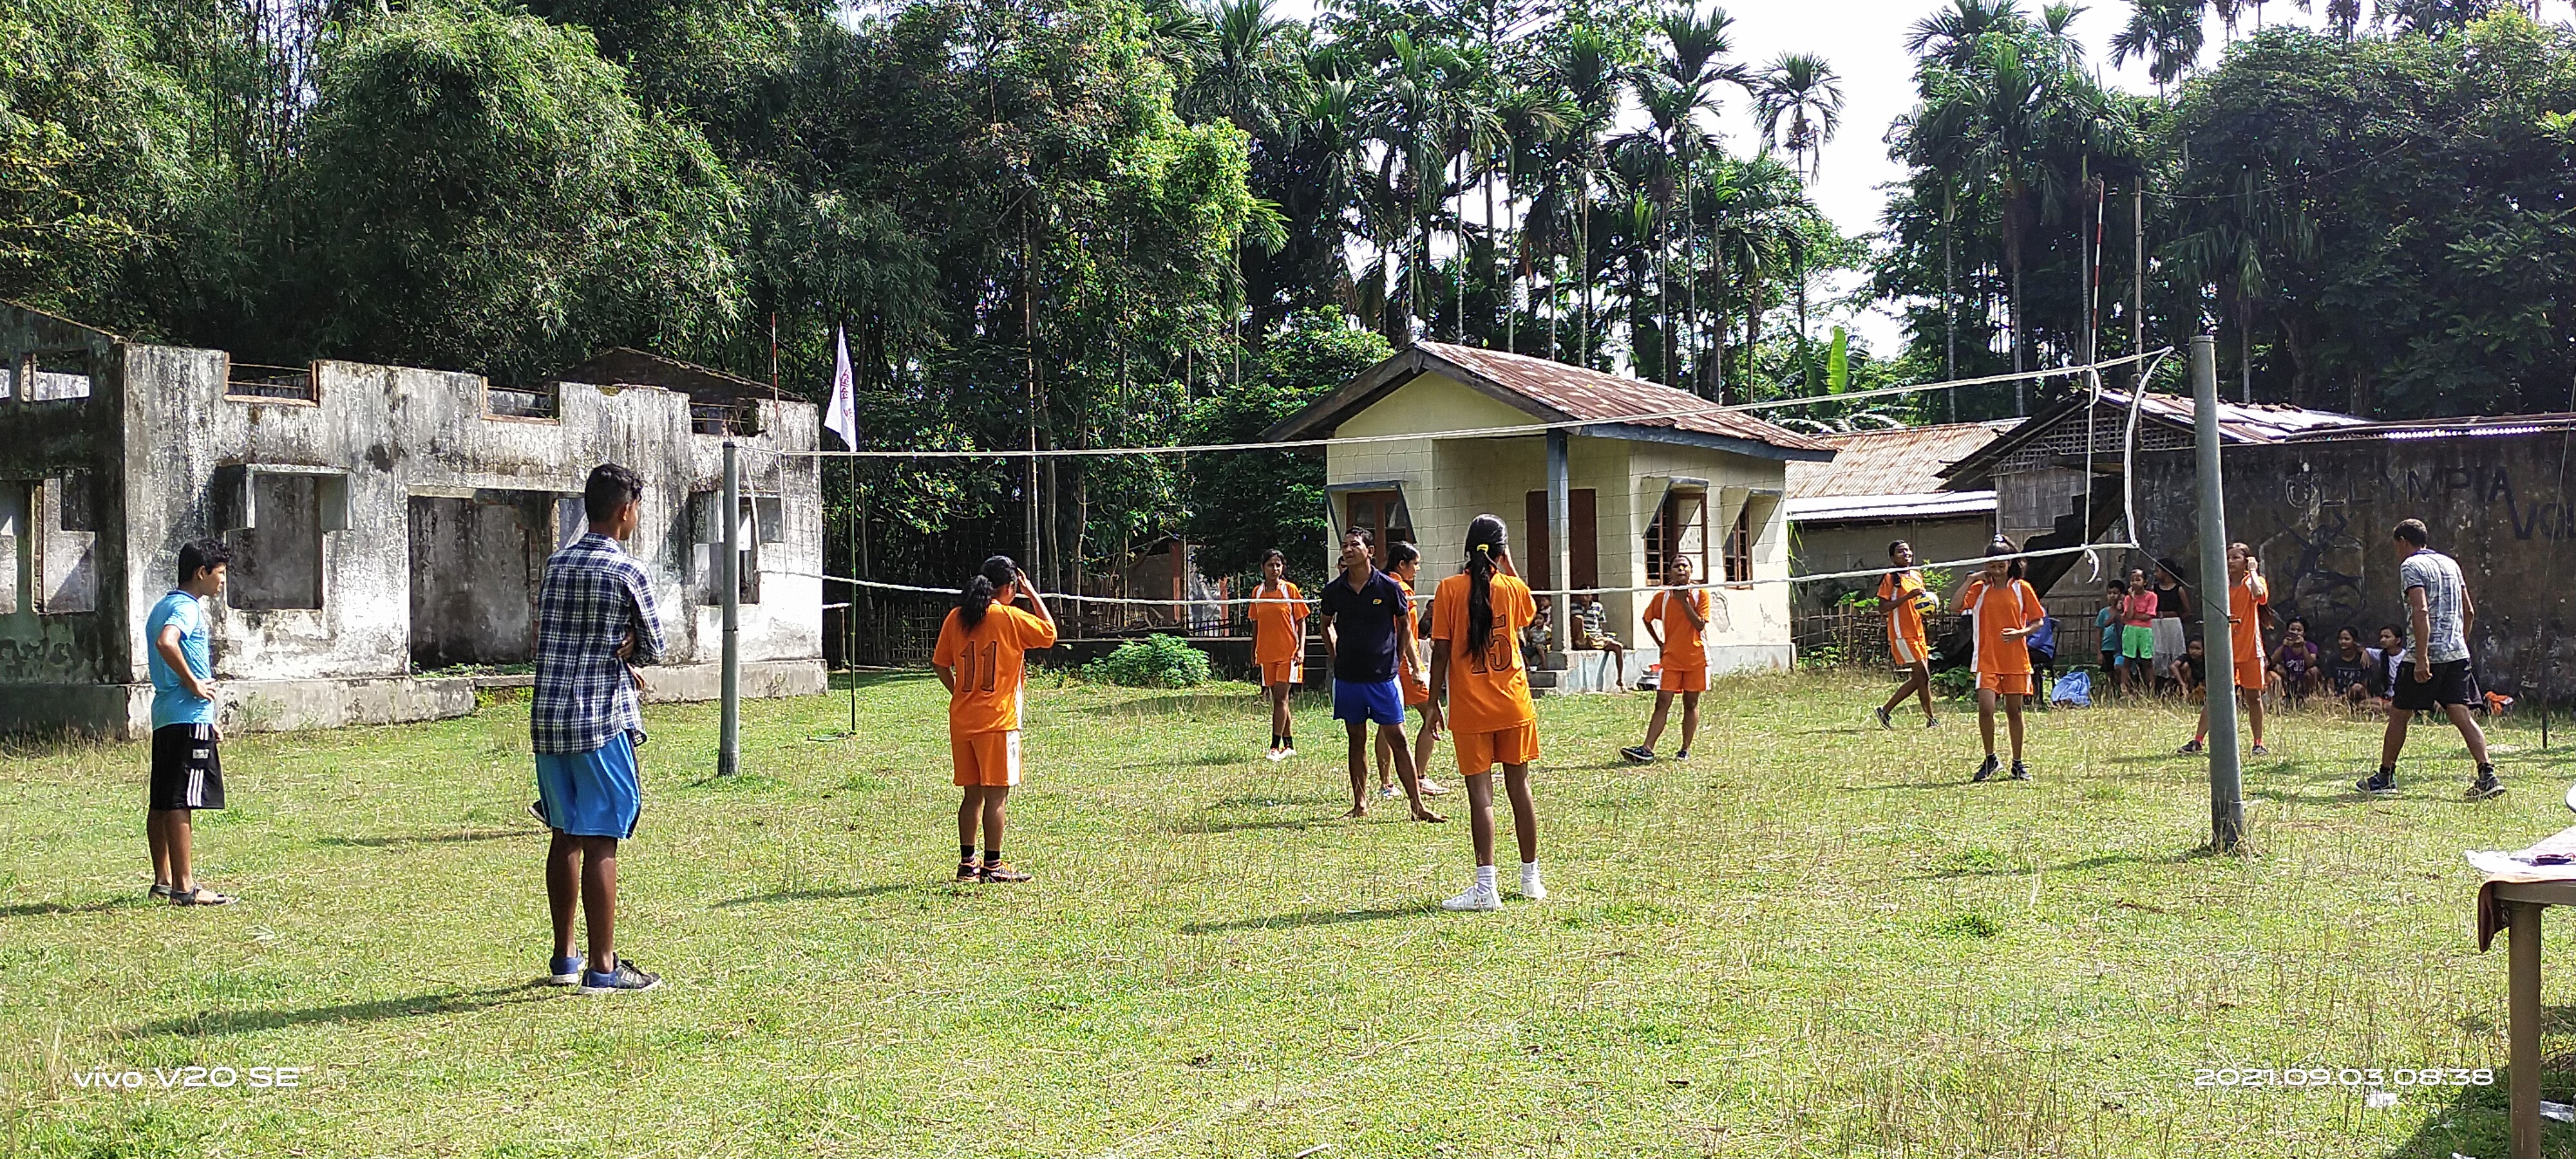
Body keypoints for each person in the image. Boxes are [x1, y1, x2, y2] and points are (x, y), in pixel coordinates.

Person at [533, 464, 665, 994]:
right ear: (625, 510)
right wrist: (630, 647)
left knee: (563, 830)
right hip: (600, 719)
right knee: (602, 838)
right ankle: (604, 967)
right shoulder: (627, 573)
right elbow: (657, 645)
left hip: (549, 716)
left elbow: (551, 634)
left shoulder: (555, 565)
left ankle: (566, 957)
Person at [1428, 514, 1544, 911]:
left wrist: (1432, 704)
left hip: (1471, 708)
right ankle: (1531, 879)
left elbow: (1441, 652)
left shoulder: (1448, 589)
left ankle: (1486, 887)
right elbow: (1529, 614)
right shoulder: (1512, 588)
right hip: (1514, 703)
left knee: (1482, 796)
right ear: (1501, 551)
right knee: (1520, 789)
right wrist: (1507, 562)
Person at [932, 554, 1059, 882]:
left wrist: (960, 691)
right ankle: (993, 865)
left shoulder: (956, 617)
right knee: (997, 796)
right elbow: (1049, 633)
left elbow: (940, 664)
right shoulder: (1010, 617)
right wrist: (1032, 593)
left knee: (971, 796)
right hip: (998, 722)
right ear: (1010, 587)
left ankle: (967, 864)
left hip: (963, 719)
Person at [2356, 519, 2503, 799]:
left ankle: (2385, 777)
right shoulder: (2451, 564)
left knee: (2399, 714)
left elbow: (2420, 610)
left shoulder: (2411, 566)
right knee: (2460, 714)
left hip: (2424, 654)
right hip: (2456, 653)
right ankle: (2488, 774)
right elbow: (2468, 611)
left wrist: (2422, 657)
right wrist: (2460, 644)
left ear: (2403, 542)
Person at [1318, 529, 1441, 822]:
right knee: (1356, 739)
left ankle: (1417, 806)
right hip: (1349, 679)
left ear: (1370, 551)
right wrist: (1337, 657)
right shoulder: (1334, 590)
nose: (1348, 550)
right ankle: (1360, 804)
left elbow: (1405, 627)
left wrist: (1398, 661)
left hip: (1383, 679)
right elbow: (1325, 626)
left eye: (1355, 545)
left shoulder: (1389, 588)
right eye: (1345, 546)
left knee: (1398, 739)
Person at [147, 538, 236, 908]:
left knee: (164, 799)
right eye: (220, 574)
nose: (222, 582)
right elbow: (169, 643)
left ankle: (163, 882)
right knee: (183, 799)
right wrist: (193, 684)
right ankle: (186, 887)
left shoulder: (163, 605)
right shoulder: (187, 608)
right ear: (201, 573)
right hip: (186, 715)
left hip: (167, 715)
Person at [1958, 537, 2043, 781]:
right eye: (1992, 566)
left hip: (2015, 658)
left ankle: (2017, 762)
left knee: (2014, 712)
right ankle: (1990, 758)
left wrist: (2021, 632)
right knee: (1986, 709)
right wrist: (1971, 580)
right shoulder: (1980, 589)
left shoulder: (2022, 588)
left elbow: (2038, 620)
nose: (1996, 571)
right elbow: (1956, 606)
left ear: (2009, 564)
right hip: (1987, 657)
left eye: (2001, 566)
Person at [1375, 542, 1450, 800]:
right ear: (1402, 564)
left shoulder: (1380, 583)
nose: (1417, 569)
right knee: (1434, 715)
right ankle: (1419, 777)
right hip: (1404, 664)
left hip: (1384, 662)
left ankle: (1387, 784)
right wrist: (1417, 666)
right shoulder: (1401, 590)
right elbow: (1404, 632)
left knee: (1387, 723)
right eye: (1415, 564)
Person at [2180, 543, 2269, 757]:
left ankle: (2258, 743)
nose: (2230, 562)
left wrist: (2254, 571)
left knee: (2253, 697)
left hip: (2249, 648)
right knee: (2216, 696)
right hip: (2226, 649)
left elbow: (2259, 595)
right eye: (2228, 558)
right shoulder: (2222, 585)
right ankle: (2198, 741)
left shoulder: (2252, 582)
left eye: (2236, 558)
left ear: (2246, 561)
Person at [1621, 557, 1710, 763]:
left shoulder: (1701, 594)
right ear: (1670, 572)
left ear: (1691, 571)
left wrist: (1683, 601)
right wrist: (1661, 643)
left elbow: (1699, 625)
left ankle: (1685, 749)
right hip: (1671, 657)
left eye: (1684, 566)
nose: (1680, 569)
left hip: (1696, 657)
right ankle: (1647, 749)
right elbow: (1647, 619)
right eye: (1676, 566)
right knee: (1662, 702)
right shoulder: (1662, 596)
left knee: (1691, 702)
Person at [1247, 549, 1307, 761]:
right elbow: (1255, 624)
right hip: (1267, 652)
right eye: (1270, 565)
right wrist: (1254, 650)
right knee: (1278, 700)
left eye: (1278, 565)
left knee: (1281, 699)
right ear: (1263, 568)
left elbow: (1301, 621)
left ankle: (1274, 746)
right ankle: (1289, 744)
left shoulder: (1289, 590)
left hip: (1288, 653)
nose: (1275, 569)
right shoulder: (1258, 592)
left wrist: (1301, 649)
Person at [1874, 540, 1938, 729]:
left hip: (1918, 631)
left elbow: (1920, 603)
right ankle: (1886, 710)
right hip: (1902, 632)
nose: (1906, 553)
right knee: (1923, 676)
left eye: (1908, 550)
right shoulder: (1891, 578)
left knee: (1922, 677)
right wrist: (1907, 597)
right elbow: (1882, 608)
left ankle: (1930, 718)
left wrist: (1929, 608)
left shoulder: (1917, 575)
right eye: (1900, 551)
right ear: (1893, 557)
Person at [2150, 562, 2194, 695]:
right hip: (2158, 625)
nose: (2155, 574)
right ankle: (2159, 688)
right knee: (2158, 654)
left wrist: (2174, 616)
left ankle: (2179, 686)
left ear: (2166, 572)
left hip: (2173, 626)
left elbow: (2188, 611)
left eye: (2158, 571)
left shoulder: (2179, 590)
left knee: (2175, 654)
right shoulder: (2155, 589)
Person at [2118, 567, 2158, 697]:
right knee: (2127, 660)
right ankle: (2124, 690)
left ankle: (2151, 691)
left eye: (2138, 580)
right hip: (2130, 630)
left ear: (2145, 582)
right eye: (2132, 581)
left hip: (2145, 630)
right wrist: (2132, 599)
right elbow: (2128, 616)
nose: (2135, 583)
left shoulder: (2151, 596)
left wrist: (2134, 616)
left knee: (2147, 661)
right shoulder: (2129, 599)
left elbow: (2149, 616)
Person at [1577, 594, 1627, 690]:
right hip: (1582, 637)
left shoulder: (1598, 607)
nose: (1584, 598)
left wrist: (1606, 636)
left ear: (1591, 596)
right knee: (1578, 619)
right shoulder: (1575, 607)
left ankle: (1620, 679)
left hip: (1597, 636)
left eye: (1587, 595)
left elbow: (1602, 623)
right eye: (1582, 595)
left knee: (1618, 647)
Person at [2270, 617, 2321, 704]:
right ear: (2287, 632)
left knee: (2314, 671)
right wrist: (2283, 646)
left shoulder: (2311, 646)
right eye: (2292, 629)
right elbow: (2271, 663)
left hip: (2304, 680)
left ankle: (2308, 699)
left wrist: (2303, 646)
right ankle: (2281, 699)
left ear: (2304, 633)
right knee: (2276, 668)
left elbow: (2311, 664)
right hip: (2289, 679)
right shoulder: (2283, 646)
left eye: (2299, 630)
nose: (2296, 632)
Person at [2326, 625, 2378, 711]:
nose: (2343, 642)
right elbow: (2330, 685)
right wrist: (2333, 697)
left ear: (2354, 641)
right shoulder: (2333, 660)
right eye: (2341, 639)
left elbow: (2364, 687)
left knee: (2357, 688)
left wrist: (2345, 697)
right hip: (2337, 698)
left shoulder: (2362, 660)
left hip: (2357, 698)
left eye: (2347, 639)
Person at [2094, 581, 2125, 693]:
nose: (2112, 596)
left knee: (2120, 670)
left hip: (2121, 646)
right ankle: (2112, 694)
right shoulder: (2104, 612)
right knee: (2110, 673)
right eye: (2110, 593)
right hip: (2107, 647)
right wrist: (2099, 652)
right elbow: (2100, 630)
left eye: (2115, 593)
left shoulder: (2126, 611)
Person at [2026, 608, 2058, 711]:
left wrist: (2022, 647)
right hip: (2027, 649)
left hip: (2042, 650)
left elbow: (2038, 639)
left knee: (2023, 659)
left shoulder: (2038, 612)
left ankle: (2034, 695)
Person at [2177, 636, 2208, 702]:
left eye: (2198, 649)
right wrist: (2182, 683)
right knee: (2185, 666)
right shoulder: (2186, 657)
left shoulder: (2207, 660)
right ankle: (2186, 695)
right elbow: (2173, 666)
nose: (2194, 651)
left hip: (2203, 685)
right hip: (2190, 684)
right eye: (2191, 648)